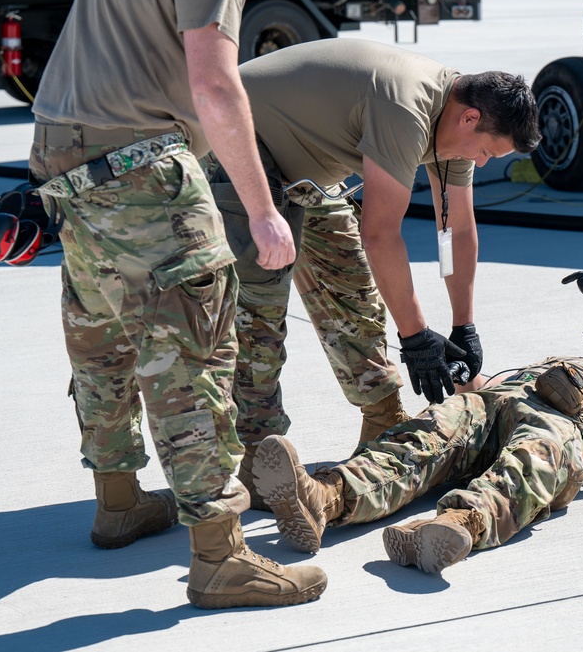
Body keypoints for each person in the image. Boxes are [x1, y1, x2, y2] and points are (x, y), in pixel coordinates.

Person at [27, 0, 325, 609]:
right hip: (142, 159)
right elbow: (214, 87)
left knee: (101, 329)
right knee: (195, 349)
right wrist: (264, 212)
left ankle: (118, 502)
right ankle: (219, 557)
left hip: (64, 150)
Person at [209, 38, 542, 503]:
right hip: (235, 141)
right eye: (487, 152)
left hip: (306, 169)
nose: (482, 163)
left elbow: (458, 230)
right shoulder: (407, 106)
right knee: (258, 311)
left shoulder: (459, 124)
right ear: (470, 119)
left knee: (350, 288)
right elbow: (382, 234)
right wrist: (416, 337)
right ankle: (255, 458)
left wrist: (463, 326)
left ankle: (382, 423)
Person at [252, 269, 583, 574]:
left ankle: (454, 527)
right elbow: (496, 386)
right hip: (498, 403)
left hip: (568, 427)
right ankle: (325, 498)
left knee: (533, 463)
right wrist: (466, 376)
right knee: (425, 435)